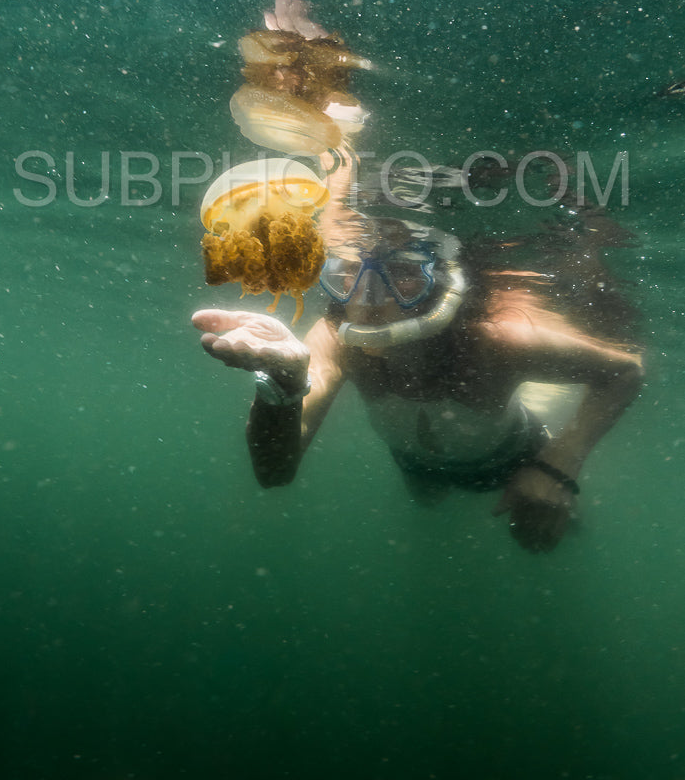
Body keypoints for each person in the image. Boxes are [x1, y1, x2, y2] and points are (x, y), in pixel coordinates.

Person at [192, 196, 644, 553]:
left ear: (446, 281)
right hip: (414, 463)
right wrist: (282, 386)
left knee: (550, 524)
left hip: (515, 458)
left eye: (404, 272)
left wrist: (559, 467)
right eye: (348, 271)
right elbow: (275, 472)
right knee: (427, 502)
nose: (369, 296)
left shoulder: (498, 342)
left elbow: (624, 372)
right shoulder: (334, 341)